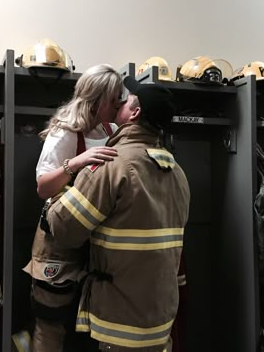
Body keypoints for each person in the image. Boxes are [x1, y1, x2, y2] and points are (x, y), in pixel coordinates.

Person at [45, 75, 191, 351]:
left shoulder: (111, 164)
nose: (119, 105)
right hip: (160, 320)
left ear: (135, 113)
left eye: (126, 102)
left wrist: (60, 193)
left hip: (120, 324)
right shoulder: (177, 171)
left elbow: (64, 229)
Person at [23, 64, 124, 352]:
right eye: (114, 97)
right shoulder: (66, 132)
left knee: (91, 331)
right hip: (59, 244)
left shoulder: (113, 130)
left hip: (97, 243)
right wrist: (77, 162)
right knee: (51, 326)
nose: (118, 103)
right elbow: (43, 187)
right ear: (98, 98)